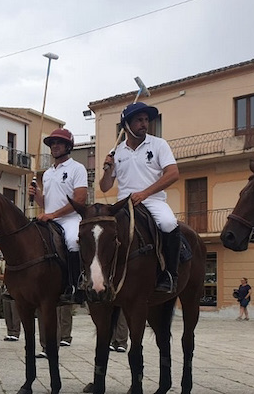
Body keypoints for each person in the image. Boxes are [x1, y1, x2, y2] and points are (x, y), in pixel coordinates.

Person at [100, 102, 180, 293]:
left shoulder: (159, 144)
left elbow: (173, 173)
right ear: (126, 125)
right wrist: (108, 169)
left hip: (153, 200)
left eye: (146, 120)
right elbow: (104, 187)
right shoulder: (117, 152)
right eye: (139, 120)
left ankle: (170, 274)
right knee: (100, 231)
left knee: (169, 223)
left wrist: (145, 193)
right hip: (124, 204)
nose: (144, 124)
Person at [28, 128, 88, 303]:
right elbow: (47, 203)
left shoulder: (77, 168)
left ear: (68, 146)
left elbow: (80, 200)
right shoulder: (47, 173)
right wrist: (37, 194)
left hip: (70, 219)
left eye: (59, 143)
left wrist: (53, 214)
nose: (55, 146)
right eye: (52, 143)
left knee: (71, 242)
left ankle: (76, 285)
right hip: (50, 218)